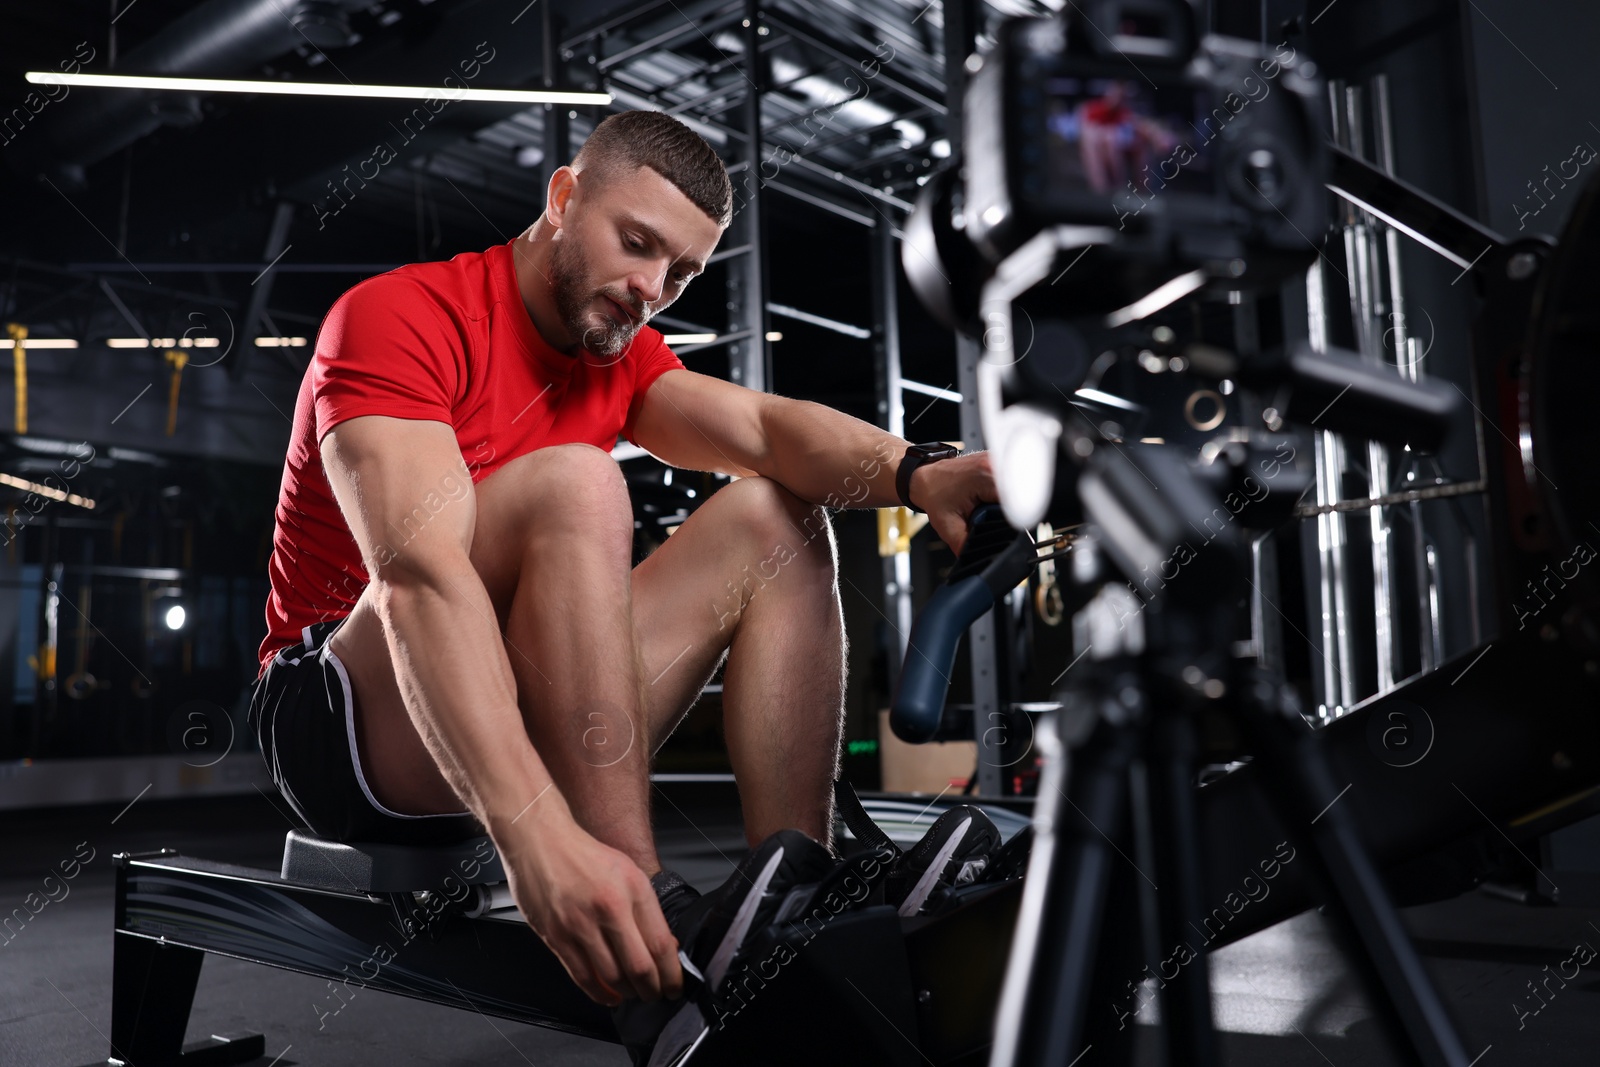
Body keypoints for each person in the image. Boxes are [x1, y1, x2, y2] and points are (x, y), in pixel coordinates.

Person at [247, 109, 995, 1041]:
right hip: (342, 721)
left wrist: (918, 471)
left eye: (679, 273)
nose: (649, 288)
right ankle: (642, 898)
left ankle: (798, 879)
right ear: (563, 197)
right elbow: (421, 584)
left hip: (494, 690)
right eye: (635, 244)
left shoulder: (618, 353)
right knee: (577, 481)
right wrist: (540, 845)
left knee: (772, 511)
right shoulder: (402, 316)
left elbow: (766, 432)